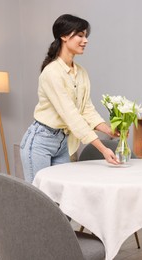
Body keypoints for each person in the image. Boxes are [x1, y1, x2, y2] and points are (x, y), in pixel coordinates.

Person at [20, 14, 119, 183]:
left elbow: (87, 110)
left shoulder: (81, 73)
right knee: (38, 198)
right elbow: (71, 116)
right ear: (64, 36)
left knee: (61, 196)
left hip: (64, 142)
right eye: (80, 35)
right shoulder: (52, 73)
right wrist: (103, 149)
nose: (85, 40)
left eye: (86, 35)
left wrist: (109, 130)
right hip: (41, 141)